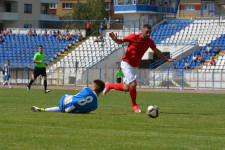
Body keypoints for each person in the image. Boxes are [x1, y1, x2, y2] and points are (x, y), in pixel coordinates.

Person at [104, 24, 176, 112]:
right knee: (133, 84)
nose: (148, 34)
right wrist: (115, 40)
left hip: (134, 66)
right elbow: (121, 41)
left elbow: (157, 51)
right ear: (142, 31)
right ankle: (134, 105)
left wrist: (166, 59)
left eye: (150, 32)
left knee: (127, 88)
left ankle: (109, 86)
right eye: (147, 32)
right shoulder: (134, 37)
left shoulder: (149, 41)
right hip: (126, 63)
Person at [31, 79, 105, 113]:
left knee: (68, 96)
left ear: (94, 88)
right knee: (70, 107)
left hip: (64, 101)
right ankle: (43, 110)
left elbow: (77, 96)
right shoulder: (95, 106)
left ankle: (43, 110)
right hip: (71, 110)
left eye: (93, 85)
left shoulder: (86, 89)